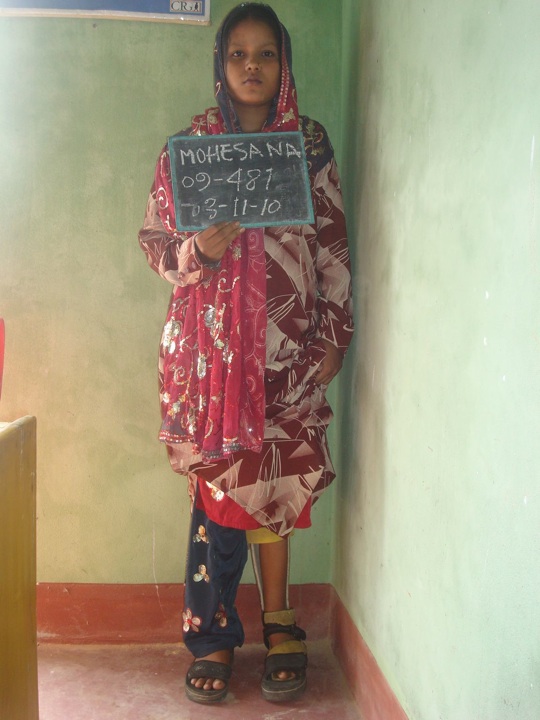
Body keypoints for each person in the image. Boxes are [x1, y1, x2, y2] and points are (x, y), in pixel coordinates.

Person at [138, 2, 353, 705]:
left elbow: (332, 245)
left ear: (283, 63)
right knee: (221, 491)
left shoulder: (308, 145)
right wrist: (197, 251)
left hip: (290, 358)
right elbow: (156, 245)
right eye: (238, 53)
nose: (251, 65)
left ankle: (281, 620)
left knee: (278, 488)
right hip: (213, 359)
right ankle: (214, 634)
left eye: (265, 53)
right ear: (221, 64)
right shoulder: (191, 147)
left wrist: (334, 334)